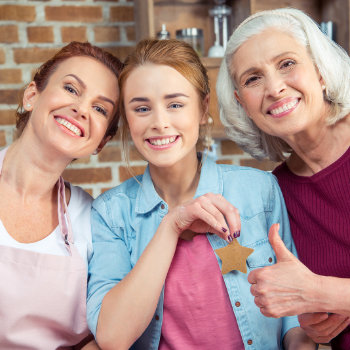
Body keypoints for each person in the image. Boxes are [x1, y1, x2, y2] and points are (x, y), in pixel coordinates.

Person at [86, 38, 315, 350]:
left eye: (176, 104)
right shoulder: (111, 214)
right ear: (127, 119)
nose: (160, 123)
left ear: (203, 109)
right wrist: (172, 225)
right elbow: (113, 337)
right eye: (141, 108)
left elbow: (295, 316)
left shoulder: (259, 190)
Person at [217, 7, 350, 349]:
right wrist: (312, 326)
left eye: (287, 64)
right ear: (242, 103)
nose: (275, 88)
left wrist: (322, 293)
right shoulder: (275, 193)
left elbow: (311, 290)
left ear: (320, 71)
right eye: (253, 78)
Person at [0, 41, 123, 349]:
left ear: (100, 143)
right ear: (32, 96)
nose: (81, 109)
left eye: (99, 108)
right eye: (71, 89)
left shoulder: (96, 223)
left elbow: (105, 337)